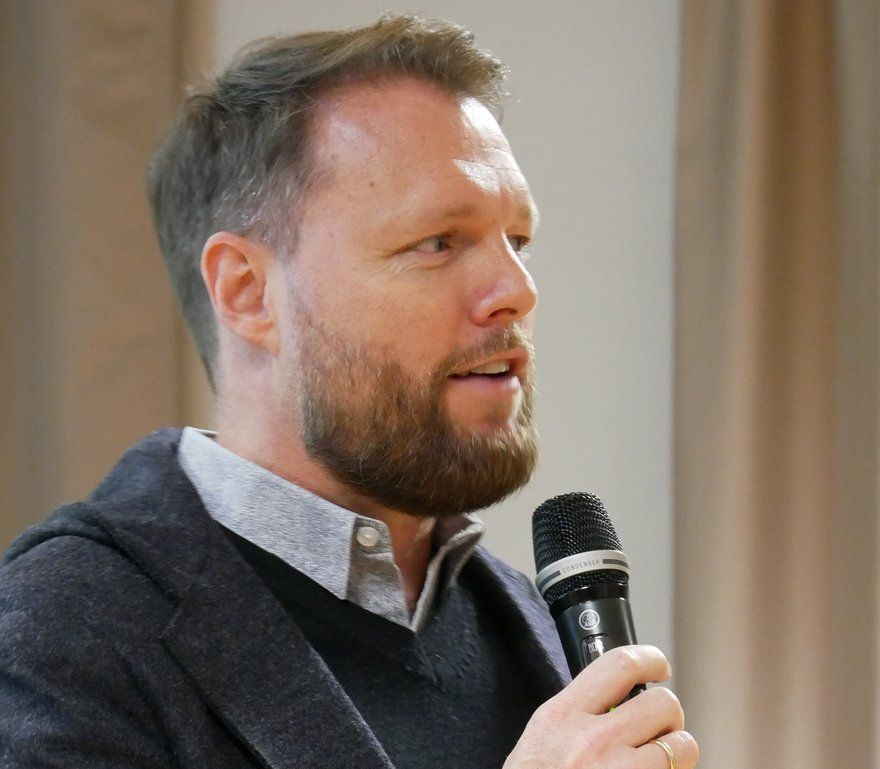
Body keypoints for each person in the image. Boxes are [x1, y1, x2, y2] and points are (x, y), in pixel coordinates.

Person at [0, 14, 698, 769]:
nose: (517, 291)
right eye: (438, 241)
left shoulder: (527, 616)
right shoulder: (64, 623)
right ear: (247, 292)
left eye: (517, 240)